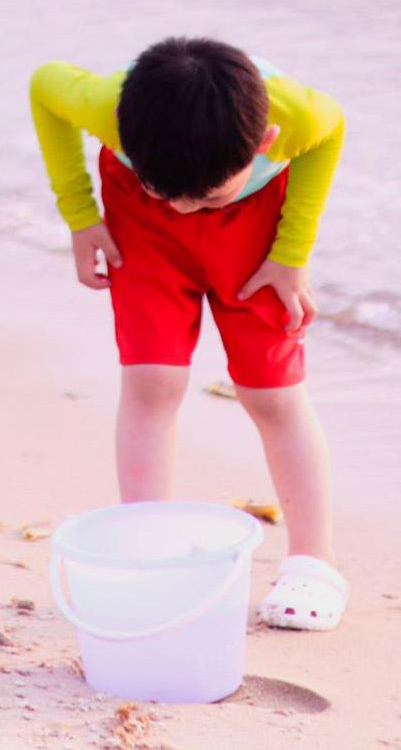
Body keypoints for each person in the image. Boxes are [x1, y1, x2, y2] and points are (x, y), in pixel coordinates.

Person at [29, 38, 350, 629]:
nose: (181, 208)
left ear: (264, 145)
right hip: (139, 229)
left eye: (199, 197)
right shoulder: (106, 107)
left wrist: (292, 254)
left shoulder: (297, 117)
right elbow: (46, 84)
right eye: (166, 191)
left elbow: (331, 132)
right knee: (152, 383)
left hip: (255, 229)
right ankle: (149, 555)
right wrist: (81, 217)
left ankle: (314, 561)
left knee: (272, 394)